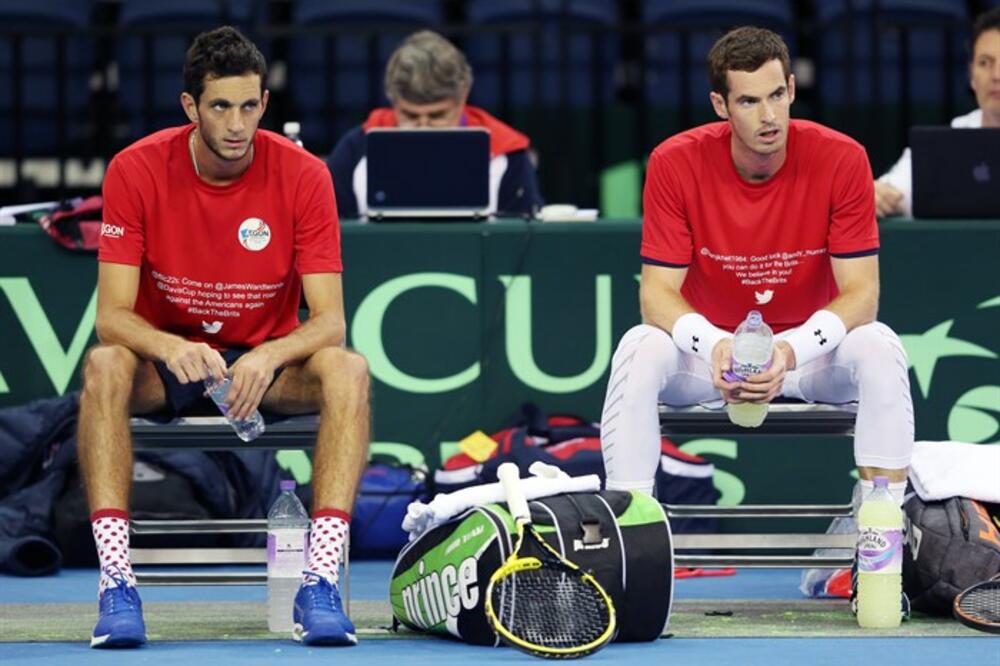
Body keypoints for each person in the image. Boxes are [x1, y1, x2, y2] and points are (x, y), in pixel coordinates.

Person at [82, 27, 369, 648]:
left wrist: (269, 353)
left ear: (264, 103)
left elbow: (329, 321)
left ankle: (319, 580)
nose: (237, 124)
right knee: (106, 365)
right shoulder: (134, 170)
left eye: (248, 105)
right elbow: (113, 316)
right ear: (191, 107)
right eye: (219, 107)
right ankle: (115, 580)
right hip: (174, 364)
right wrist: (168, 345)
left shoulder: (306, 175)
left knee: (347, 369)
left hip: (263, 369)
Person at [600, 25, 913, 589]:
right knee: (639, 347)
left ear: (792, 88)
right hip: (711, 361)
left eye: (777, 95)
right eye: (748, 100)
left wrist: (788, 352)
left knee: (881, 345)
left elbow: (862, 293)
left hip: (810, 358)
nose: (768, 115)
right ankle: (632, 549)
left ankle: (878, 557)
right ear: (721, 104)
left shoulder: (843, 158)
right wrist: (716, 345)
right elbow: (656, 296)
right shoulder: (675, 162)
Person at [326, 30, 543, 219]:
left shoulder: (508, 155)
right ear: (392, 100)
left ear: (463, 97)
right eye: (410, 115)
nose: (424, 126)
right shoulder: (354, 152)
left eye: (437, 115)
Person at [875, 7, 1000, 217]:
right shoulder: (950, 139)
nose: (996, 75)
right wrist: (876, 194)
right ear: (971, 75)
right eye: (985, 63)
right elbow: (890, 192)